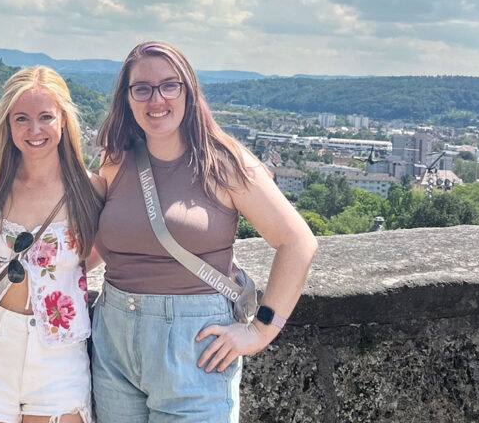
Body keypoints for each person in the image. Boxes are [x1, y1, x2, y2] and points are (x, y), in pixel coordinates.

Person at [91, 41, 317, 423]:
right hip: (113, 338)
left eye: (169, 85)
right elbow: (100, 244)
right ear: (127, 97)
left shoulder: (223, 161)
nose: (156, 99)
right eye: (142, 88)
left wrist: (261, 332)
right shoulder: (115, 158)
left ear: (188, 90)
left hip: (193, 345)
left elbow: (298, 243)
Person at [0, 67, 104, 423]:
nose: (34, 130)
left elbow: (102, 255)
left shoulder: (91, 190)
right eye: (21, 118)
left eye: (45, 117)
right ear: (7, 124)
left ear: (64, 121)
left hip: (59, 353)